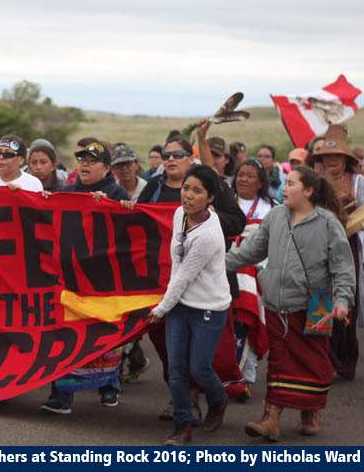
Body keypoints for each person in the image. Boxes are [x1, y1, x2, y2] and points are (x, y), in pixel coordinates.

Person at [226, 165, 353, 442]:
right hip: (277, 301)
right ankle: (271, 418)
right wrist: (214, 265)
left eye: (292, 184)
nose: (284, 188)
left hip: (319, 302)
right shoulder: (275, 216)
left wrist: (342, 301)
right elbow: (250, 252)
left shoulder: (328, 223)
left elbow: (343, 268)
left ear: (308, 190)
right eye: (285, 183)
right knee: (280, 363)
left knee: (315, 362)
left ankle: (311, 410)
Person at [39, 139, 129, 414]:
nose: (85, 164)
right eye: (82, 159)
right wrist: (43, 203)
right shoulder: (67, 192)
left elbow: (129, 235)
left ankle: (108, 387)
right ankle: (61, 396)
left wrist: (116, 207)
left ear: (105, 166)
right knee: (66, 334)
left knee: (104, 336)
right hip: (70, 277)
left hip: (104, 280)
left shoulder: (116, 192)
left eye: (92, 160)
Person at [151, 164, 233, 445]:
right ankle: (182, 426)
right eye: (186, 188)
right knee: (176, 370)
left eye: (198, 191)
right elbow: (176, 265)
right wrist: (169, 304)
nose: (188, 195)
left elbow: (185, 275)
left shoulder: (208, 234)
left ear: (210, 198)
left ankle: (218, 400)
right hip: (181, 305)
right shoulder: (178, 214)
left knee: (199, 368)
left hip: (209, 307)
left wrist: (161, 308)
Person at [305, 124, 364, 381]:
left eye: (336, 156)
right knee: (319, 298)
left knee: (345, 302)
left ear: (346, 160)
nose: (331, 161)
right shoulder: (313, 182)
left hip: (348, 248)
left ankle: (344, 360)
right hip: (318, 248)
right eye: (326, 156)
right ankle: (321, 360)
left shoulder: (359, 182)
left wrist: (349, 230)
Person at [229, 159, 275, 400]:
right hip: (226, 269)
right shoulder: (224, 201)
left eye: (249, 176)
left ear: (260, 183)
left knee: (247, 320)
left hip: (257, 273)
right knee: (228, 323)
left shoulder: (272, 207)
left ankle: (244, 377)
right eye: (240, 174)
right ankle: (227, 375)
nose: (243, 179)